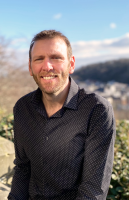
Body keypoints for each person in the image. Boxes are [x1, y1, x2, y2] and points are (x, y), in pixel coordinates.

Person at [8, 30, 116, 200]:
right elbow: (23, 168)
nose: (47, 66)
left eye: (56, 58)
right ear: (30, 67)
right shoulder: (22, 108)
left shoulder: (96, 110)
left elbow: (92, 191)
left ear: (71, 64)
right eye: (39, 59)